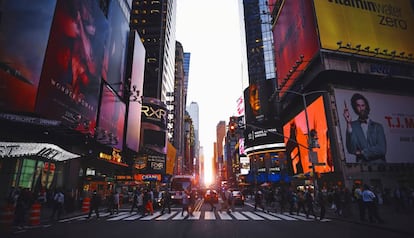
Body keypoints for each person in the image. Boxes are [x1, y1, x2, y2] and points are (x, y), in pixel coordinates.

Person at [343, 93, 386, 163]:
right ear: (355, 108)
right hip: (363, 169)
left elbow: (382, 149)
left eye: (363, 105)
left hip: (380, 168)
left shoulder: (378, 126)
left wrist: (362, 152)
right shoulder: (352, 126)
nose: (361, 108)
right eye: (358, 106)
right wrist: (348, 123)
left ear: (367, 106)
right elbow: (351, 149)